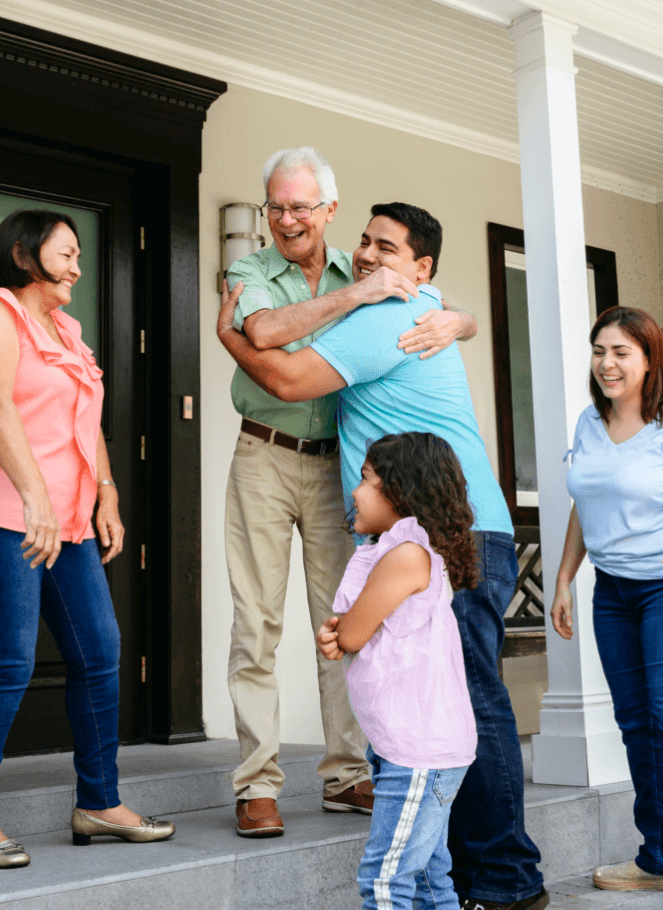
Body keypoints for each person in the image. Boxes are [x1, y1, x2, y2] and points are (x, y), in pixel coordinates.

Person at [218, 202, 547, 910]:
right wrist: (462, 317)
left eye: (385, 246)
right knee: (454, 707)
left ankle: (507, 882)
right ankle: (470, 877)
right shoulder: (415, 304)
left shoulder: (383, 316)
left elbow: (284, 381)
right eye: (363, 241)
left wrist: (227, 335)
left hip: (451, 540)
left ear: (420, 267)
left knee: (470, 707)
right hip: (452, 535)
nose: (366, 255)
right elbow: (454, 308)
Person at [222, 147, 475, 838]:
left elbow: (440, 302)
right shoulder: (251, 269)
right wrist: (359, 296)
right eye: (276, 206)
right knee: (257, 623)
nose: (287, 219)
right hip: (265, 454)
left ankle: (346, 773)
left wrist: (462, 321)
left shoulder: (360, 263)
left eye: (303, 206)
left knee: (346, 616)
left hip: (341, 468)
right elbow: (265, 331)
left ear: (329, 210)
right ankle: (257, 782)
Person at [0, 210, 173, 868]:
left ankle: (98, 802)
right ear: (24, 252)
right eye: (66, 253)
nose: (77, 267)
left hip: (63, 520)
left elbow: (85, 418)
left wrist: (107, 493)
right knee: (9, 658)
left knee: (99, 650)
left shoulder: (68, 329)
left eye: (79, 255)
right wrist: (34, 493)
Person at [550, 306, 663, 910]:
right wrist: (565, 578)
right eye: (600, 350)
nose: (607, 363)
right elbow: (585, 503)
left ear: (650, 359)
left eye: (622, 351)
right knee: (636, 725)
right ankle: (659, 859)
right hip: (614, 591)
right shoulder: (588, 422)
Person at [316, 432, 478, 910]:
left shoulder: (406, 555)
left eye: (366, 480)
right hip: (415, 748)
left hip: (418, 754)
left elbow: (351, 634)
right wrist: (343, 631)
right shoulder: (408, 551)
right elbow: (355, 628)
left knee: (385, 882)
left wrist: (340, 632)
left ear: (401, 490)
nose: (354, 491)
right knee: (430, 882)